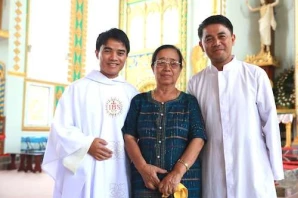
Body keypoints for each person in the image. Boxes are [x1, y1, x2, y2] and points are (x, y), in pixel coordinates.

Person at [187, 15, 284, 198]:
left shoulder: (255, 75)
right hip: (213, 169)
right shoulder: (195, 83)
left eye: (222, 36)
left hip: (252, 167)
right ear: (201, 45)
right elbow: (194, 130)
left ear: (233, 38)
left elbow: (270, 123)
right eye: (209, 38)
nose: (216, 42)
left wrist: (275, 170)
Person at [42, 28, 138, 198]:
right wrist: (87, 144)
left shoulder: (132, 93)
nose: (114, 57)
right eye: (107, 51)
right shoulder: (77, 89)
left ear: (126, 57)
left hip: (121, 167)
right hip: (87, 163)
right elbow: (61, 127)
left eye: (120, 53)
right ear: (97, 53)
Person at [122, 44, 207, 198]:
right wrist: (142, 168)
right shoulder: (139, 101)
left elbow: (198, 138)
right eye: (161, 62)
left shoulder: (189, 102)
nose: (167, 68)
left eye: (173, 63)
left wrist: (177, 173)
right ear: (153, 67)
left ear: (180, 69)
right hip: (145, 183)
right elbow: (129, 136)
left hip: (184, 182)